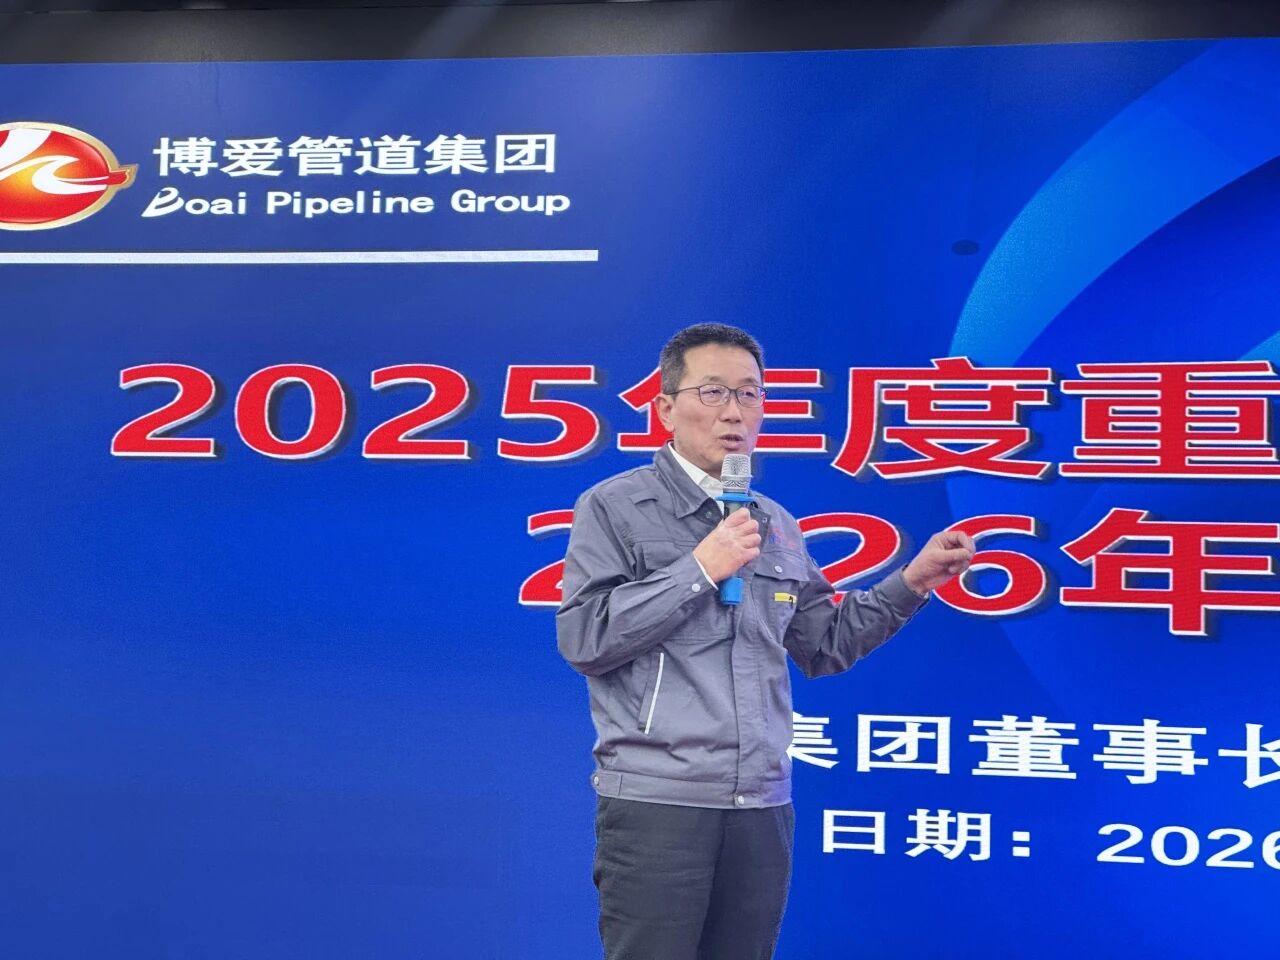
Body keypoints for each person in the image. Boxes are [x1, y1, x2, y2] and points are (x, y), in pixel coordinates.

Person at [556, 323, 975, 960]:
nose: (734, 412)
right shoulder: (614, 507)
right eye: (713, 391)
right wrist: (700, 569)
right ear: (665, 408)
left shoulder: (773, 522)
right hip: (659, 803)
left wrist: (913, 581)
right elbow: (586, 637)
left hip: (761, 804)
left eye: (750, 394)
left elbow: (825, 644)